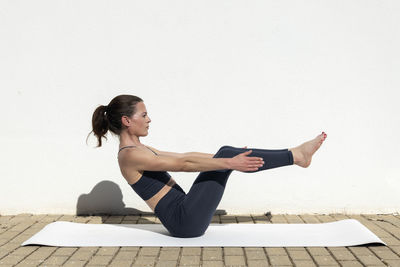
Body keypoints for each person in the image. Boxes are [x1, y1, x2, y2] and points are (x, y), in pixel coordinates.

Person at [88, 94, 327, 238]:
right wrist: (228, 161)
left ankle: (296, 155)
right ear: (127, 121)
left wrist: (229, 157)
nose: (149, 119)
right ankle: (297, 156)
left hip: (185, 214)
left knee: (227, 152)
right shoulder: (128, 156)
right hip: (184, 222)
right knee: (227, 155)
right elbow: (183, 164)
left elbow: (185, 155)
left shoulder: (140, 149)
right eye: (144, 115)